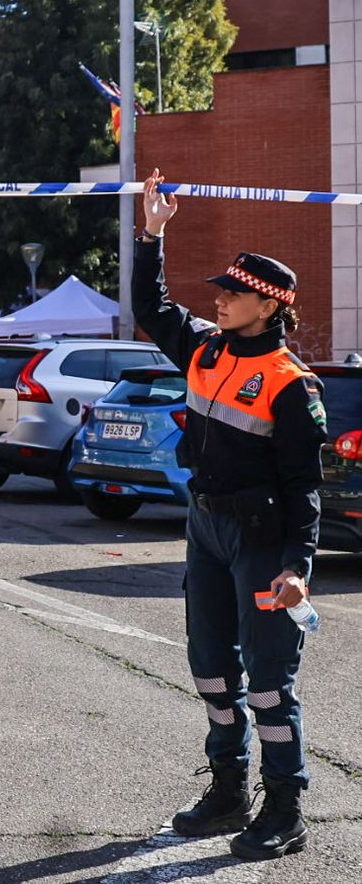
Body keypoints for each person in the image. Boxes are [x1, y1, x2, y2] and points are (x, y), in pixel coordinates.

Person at [134, 170, 324, 861]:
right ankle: (227, 790)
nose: (218, 297)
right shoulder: (206, 347)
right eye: (220, 288)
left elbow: (306, 485)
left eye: (232, 292)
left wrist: (298, 568)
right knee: (211, 667)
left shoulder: (292, 384)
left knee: (270, 681)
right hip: (205, 529)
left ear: (269, 306)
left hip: (261, 541)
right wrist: (152, 234)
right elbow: (150, 306)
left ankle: (286, 806)